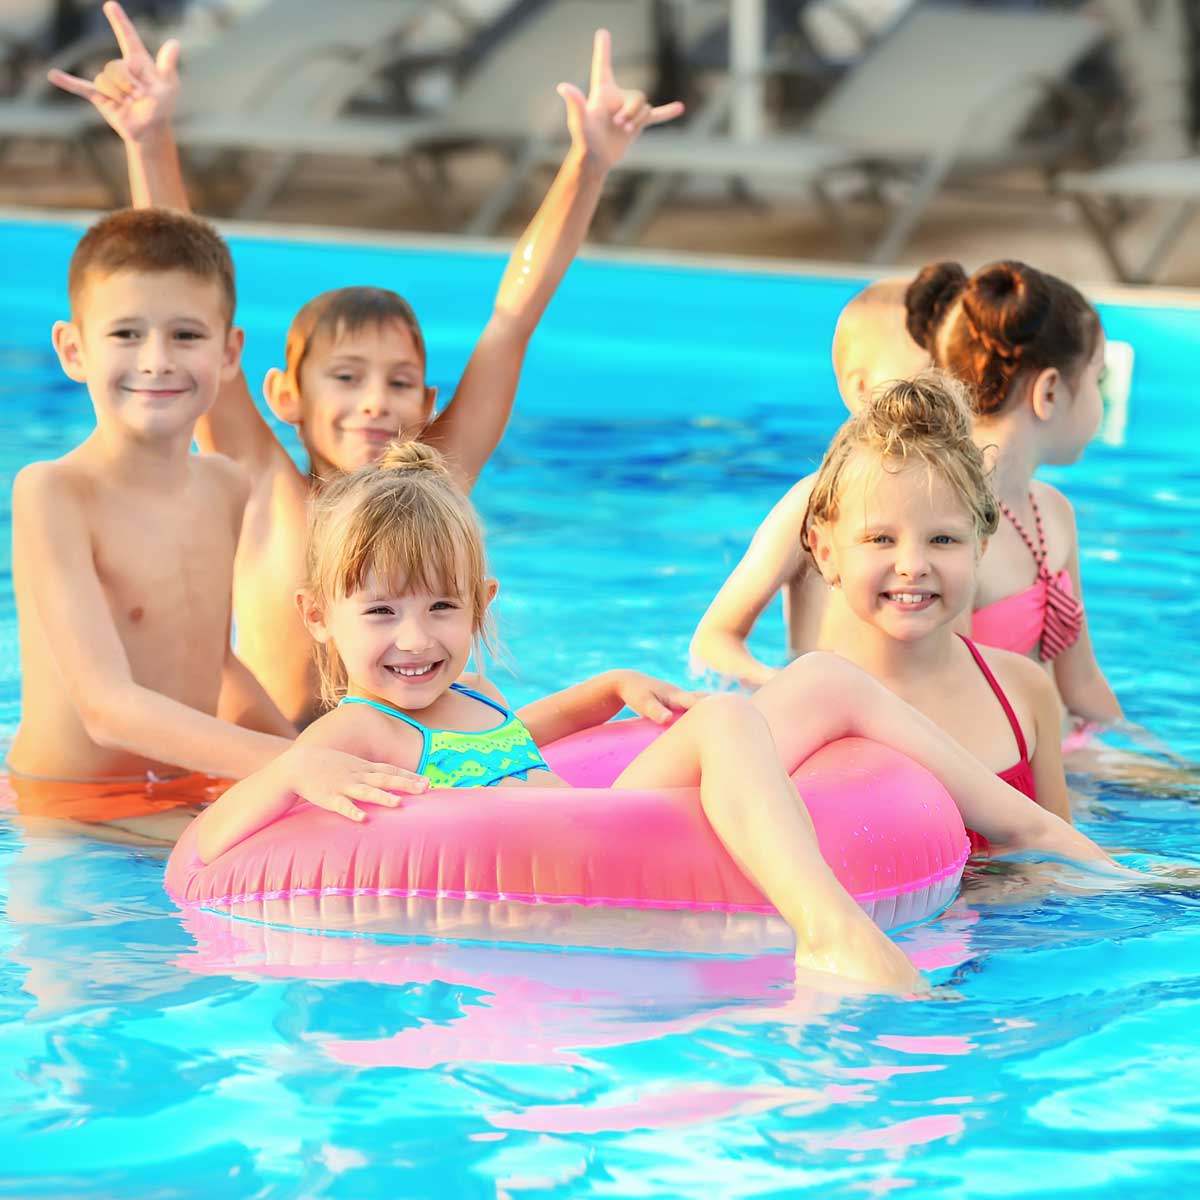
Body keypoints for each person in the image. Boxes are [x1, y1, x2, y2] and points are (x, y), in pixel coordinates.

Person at [193, 441, 1124, 993]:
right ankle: (830, 931)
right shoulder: (355, 731)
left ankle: (1042, 831)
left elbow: (517, 739)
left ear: (480, 604)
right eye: (381, 613)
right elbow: (205, 849)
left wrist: (602, 692)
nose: (415, 640)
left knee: (824, 679)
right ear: (320, 617)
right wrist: (288, 769)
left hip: (599, 815)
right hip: (571, 848)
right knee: (726, 725)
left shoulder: (463, 693)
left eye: (442, 609)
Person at [50, 2, 686, 726]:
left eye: (400, 382)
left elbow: (512, 321)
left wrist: (589, 163)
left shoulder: (435, 485)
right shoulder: (263, 490)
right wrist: (149, 140)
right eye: (346, 378)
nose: (376, 403)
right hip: (277, 773)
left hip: (406, 775)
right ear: (285, 395)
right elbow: (186, 291)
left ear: (429, 399)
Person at [6, 208, 294, 819]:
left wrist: (305, 749)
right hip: (73, 808)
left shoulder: (225, 485)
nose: (156, 359)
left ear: (229, 351)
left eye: (186, 335)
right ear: (73, 349)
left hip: (186, 789)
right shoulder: (54, 493)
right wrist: (293, 767)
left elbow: (216, 663)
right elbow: (105, 707)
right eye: (126, 334)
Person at [804, 371, 1079, 828]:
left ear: (980, 548)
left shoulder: (1024, 691)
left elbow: (1061, 866)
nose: (913, 564)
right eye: (880, 538)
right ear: (826, 551)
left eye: (943, 540)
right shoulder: (811, 708)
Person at [904, 260, 1122, 727]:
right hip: (995, 772)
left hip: (1058, 752)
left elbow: (1081, 683)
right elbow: (941, 707)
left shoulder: (1053, 512)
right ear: (1049, 392)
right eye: (1097, 379)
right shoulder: (949, 529)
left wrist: (1161, 766)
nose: (1101, 402)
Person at [690, 278, 929, 685]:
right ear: (863, 388)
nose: (950, 394)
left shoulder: (949, 513)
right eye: (929, 375)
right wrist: (781, 688)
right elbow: (713, 641)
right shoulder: (814, 502)